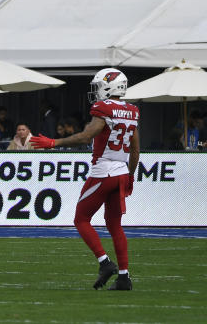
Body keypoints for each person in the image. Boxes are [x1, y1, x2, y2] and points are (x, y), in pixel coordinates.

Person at [30, 68, 138, 291]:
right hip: (120, 172)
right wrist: (130, 175)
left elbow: (86, 135)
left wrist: (54, 143)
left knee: (81, 219)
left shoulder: (104, 108)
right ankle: (124, 277)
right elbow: (136, 150)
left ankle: (105, 263)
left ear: (109, 86)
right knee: (115, 225)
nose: (96, 91)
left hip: (103, 172)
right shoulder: (132, 111)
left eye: (99, 86)